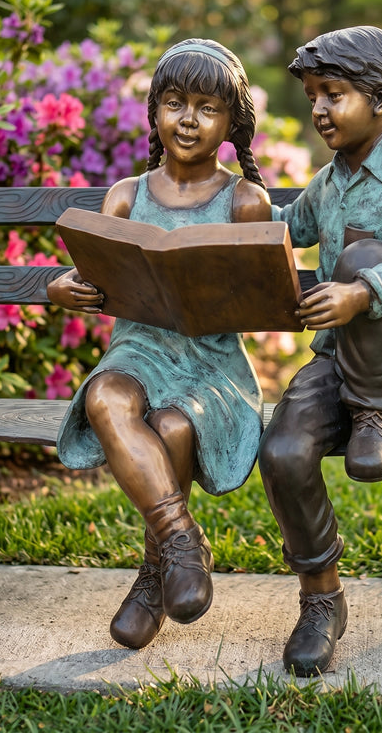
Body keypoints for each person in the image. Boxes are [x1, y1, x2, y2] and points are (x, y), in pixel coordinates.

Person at [47, 39, 271, 650]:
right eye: (175, 103)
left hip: (211, 360)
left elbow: (260, 297)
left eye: (206, 107)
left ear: (232, 122)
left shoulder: (245, 201)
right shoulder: (125, 195)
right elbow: (93, 273)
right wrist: (64, 287)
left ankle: (153, 576)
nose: (189, 120)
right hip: (138, 349)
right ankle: (181, 540)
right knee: (105, 398)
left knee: (173, 429)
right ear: (154, 112)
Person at [258, 26, 382, 676]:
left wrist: (359, 292)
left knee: (364, 258)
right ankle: (322, 601)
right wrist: (232, 212)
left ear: (380, 97)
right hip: (336, 362)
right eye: (312, 96)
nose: (317, 110)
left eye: (332, 94)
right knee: (281, 450)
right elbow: (284, 231)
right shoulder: (329, 181)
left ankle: (374, 412)